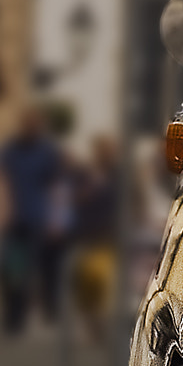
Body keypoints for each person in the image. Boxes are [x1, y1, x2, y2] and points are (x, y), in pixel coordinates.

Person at [0, 107, 65, 334]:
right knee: (8, 268)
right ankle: (13, 313)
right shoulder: (11, 150)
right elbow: (1, 180)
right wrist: (0, 210)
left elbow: (55, 186)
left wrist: (55, 218)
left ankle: (30, 313)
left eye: (34, 124)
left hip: (39, 217)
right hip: (15, 219)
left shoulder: (47, 152)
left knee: (36, 269)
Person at [68, 134, 119, 347]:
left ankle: (101, 328)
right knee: (84, 288)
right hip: (86, 237)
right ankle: (93, 327)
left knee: (102, 282)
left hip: (107, 240)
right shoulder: (85, 175)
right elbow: (74, 199)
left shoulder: (119, 176)